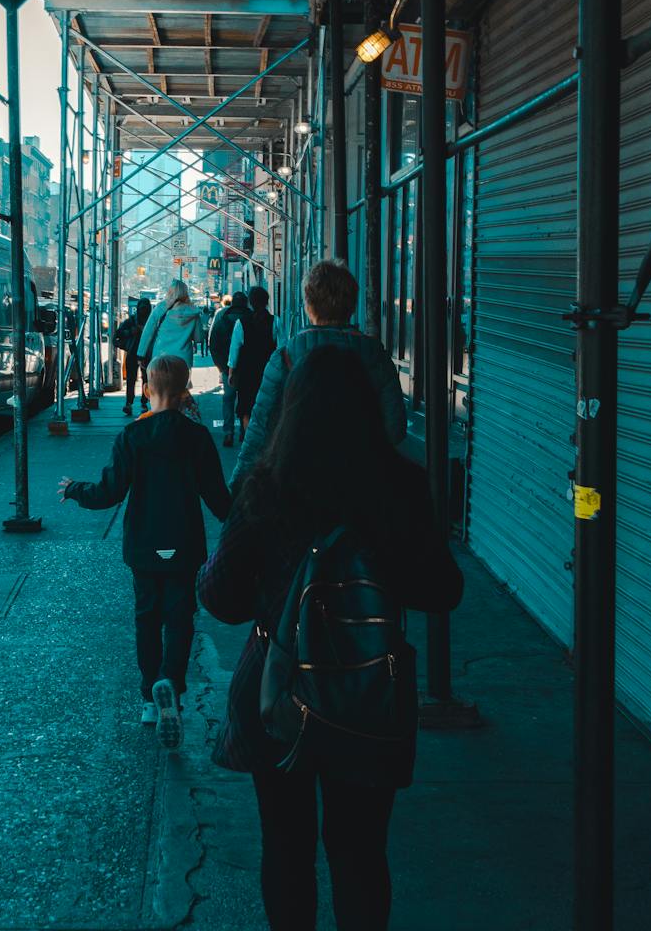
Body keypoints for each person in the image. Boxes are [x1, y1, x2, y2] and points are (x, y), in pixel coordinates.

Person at [198, 348, 463, 931]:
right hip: (371, 694)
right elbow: (444, 590)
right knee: (361, 854)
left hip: (281, 695)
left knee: (286, 848)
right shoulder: (400, 485)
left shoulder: (266, 485)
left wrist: (273, 600)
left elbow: (218, 595)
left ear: (290, 410)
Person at [60, 354, 230, 749]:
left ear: (149, 388)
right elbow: (218, 498)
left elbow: (110, 491)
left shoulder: (132, 437)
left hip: (144, 546)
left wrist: (75, 490)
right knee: (180, 617)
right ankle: (172, 680)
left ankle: (150, 697)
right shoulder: (197, 437)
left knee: (147, 618)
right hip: (185, 546)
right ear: (186, 388)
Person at [231, 259, 405, 486]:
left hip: (298, 482)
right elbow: (396, 427)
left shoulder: (285, 357)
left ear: (307, 305)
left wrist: (238, 484)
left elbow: (259, 428)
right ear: (352, 305)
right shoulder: (375, 355)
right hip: (360, 485)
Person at [225, 285, 276, 448]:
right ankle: (265, 442)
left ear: (251, 303)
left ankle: (249, 441)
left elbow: (234, 351)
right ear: (267, 302)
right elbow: (282, 349)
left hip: (246, 371)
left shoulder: (242, 323)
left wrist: (231, 372)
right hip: (268, 371)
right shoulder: (276, 322)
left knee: (246, 407)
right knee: (267, 406)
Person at [138, 279, 205, 376]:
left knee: (161, 388)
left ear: (169, 292)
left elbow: (148, 332)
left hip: (160, 357)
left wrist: (141, 355)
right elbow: (199, 338)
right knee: (180, 388)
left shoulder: (160, 308)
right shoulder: (193, 312)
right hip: (183, 359)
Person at [207, 293, 248, 444]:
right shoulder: (252, 318)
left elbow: (213, 345)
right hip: (249, 369)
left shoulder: (222, 319)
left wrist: (221, 367)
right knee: (247, 399)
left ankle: (228, 432)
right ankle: (245, 431)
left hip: (227, 367)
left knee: (228, 399)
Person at [113, 297, 150, 415]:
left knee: (146, 379)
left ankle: (143, 402)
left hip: (146, 355)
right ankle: (129, 403)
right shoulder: (132, 321)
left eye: (145, 309)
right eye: (141, 308)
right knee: (131, 379)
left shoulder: (151, 322)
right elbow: (118, 334)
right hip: (134, 353)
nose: (143, 311)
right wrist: (131, 332)